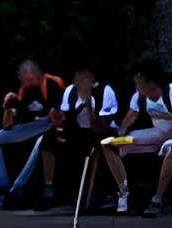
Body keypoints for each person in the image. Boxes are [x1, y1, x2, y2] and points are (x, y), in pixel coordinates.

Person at [100, 58, 172, 217]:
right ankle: (124, 193)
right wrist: (121, 132)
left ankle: (157, 198)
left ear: (150, 83)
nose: (136, 85)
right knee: (109, 144)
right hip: (156, 135)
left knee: (170, 148)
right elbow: (131, 116)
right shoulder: (140, 96)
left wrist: (165, 137)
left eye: (139, 82)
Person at [43, 64, 119, 214]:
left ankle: (91, 197)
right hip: (77, 131)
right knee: (48, 139)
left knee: (93, 145)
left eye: (86, 77)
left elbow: (101, 123)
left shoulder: (105, 91)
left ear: (92, 79)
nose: (83, 81)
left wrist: (89, 108)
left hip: (101, 131)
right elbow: (65, 117)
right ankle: (49, 187)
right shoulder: (70, 91)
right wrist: (57, 118)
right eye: (79, 77)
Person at [0, 58, 55, 208]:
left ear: (39, 74)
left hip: (50, 125)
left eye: (32, 74)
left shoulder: (51, 85)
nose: (29, 79)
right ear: (20, 76)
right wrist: (7, 108)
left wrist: (55, 115)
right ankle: (1, 186)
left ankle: (17, 189)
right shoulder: (20, 92)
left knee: (41, 140)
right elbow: (7, 126)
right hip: (29, 127)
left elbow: (61, 116)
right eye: (25, 75)